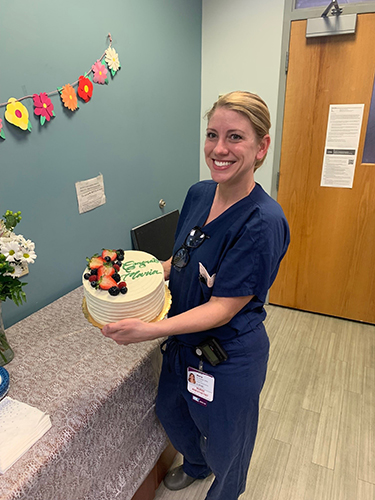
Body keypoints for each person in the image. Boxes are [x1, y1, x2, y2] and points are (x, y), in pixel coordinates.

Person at [102, 91, 290, 500]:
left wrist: (148, 329)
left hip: (227, 355)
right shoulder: (199, 193)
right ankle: (196, 463)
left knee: (228, 446)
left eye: (235, 137)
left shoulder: (263, 222)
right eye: (212, 135)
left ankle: (223, 489)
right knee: (171, 412)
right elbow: (181, 258)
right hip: (182, 343)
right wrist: (135, 275)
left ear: (262, 146)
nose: (219, 149)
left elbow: (223, 308)